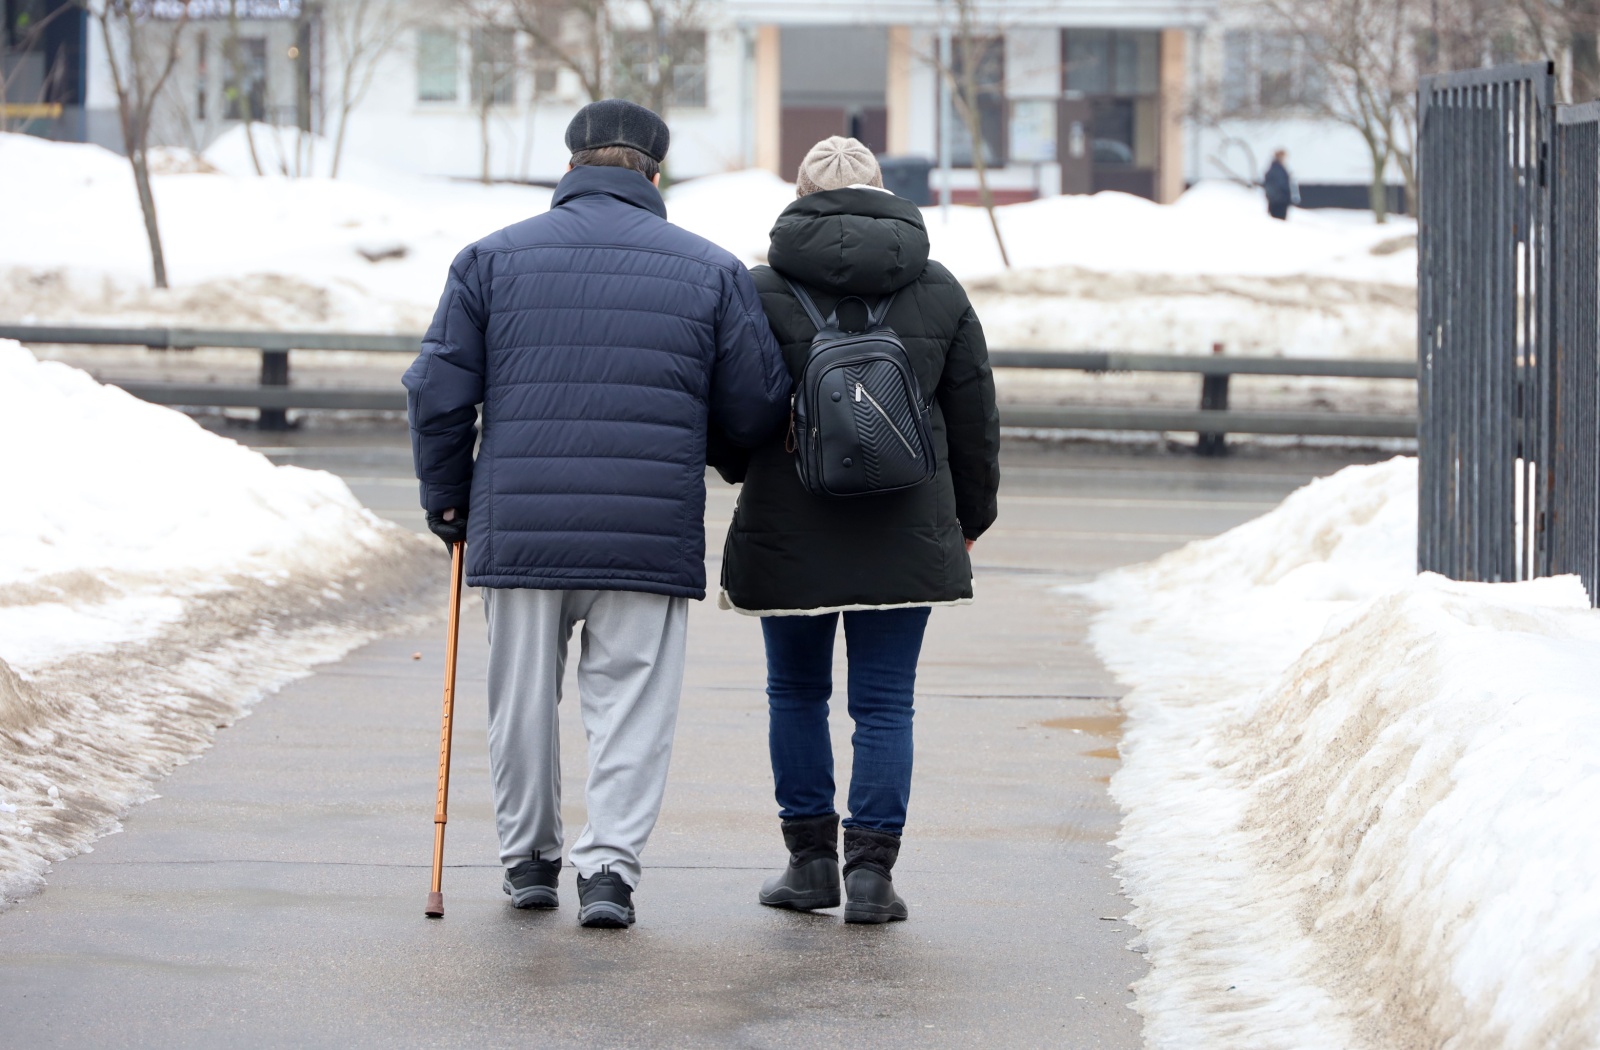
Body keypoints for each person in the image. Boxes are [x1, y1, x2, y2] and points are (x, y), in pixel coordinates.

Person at [404, 99, 790, 929]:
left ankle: (529, 859)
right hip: (645, 527)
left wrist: (447, 499)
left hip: (519, 526)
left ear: (572, 163)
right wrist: (707, 445)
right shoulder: (709, 269)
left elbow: (437, 393)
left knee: (520, 702)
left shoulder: (491, 260)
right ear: (655, 172)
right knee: (632, 706)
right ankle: (609, 870)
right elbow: (759, 404)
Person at [712, 136, 1001, 924]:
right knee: (884, 703)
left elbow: (733, 410)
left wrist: (750, 472)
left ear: (801, 196)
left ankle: (810, 867)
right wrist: (968, 520)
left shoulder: (758, 288)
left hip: (788, 525)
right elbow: (974, 417)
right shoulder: (938, 287)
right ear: (883, 194)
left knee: (795, 693)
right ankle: (871, 876)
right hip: (906, 528)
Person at [1264, 149, 1296, 220]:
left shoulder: (1280, 168)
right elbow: (1277, 185)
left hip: (1280, 201)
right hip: (1278, 203)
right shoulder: (1276, 169)